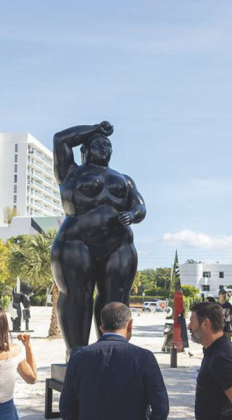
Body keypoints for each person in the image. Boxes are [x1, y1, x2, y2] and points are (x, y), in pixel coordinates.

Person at [50, 121, 146, 354]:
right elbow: (60, 139)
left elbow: (140, 206)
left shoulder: (124, 178)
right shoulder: (70, 172)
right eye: (98, 144)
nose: (104, 148)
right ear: (83, 150)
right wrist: (95, 129)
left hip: (119, 243)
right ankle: (76, 352)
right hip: (76, 241)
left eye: (108, 145)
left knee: (116, 298)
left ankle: (113, 350)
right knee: (77, 295)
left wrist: (131, 214)